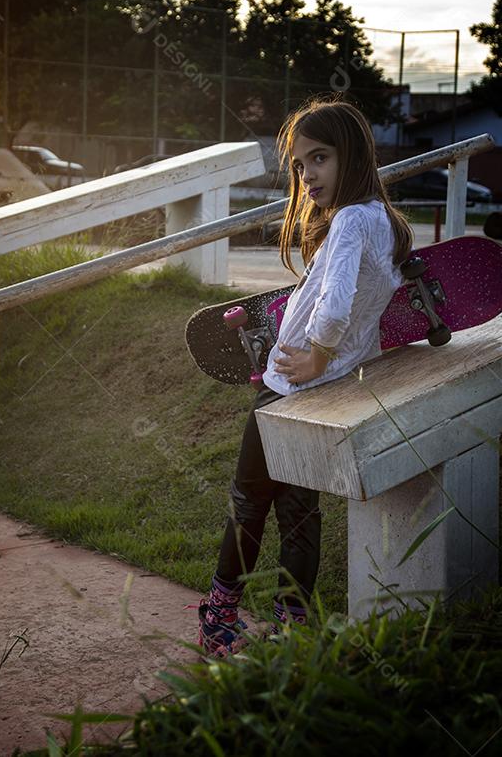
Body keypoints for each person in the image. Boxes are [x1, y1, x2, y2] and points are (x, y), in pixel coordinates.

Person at [197, 98, 414, 657]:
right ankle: (292, 628)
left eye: (319, 158)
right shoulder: (382, 222)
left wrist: (314, 355)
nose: (307, 174)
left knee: (248, 503)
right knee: (299, 514)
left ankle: (218, 619)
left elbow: (338, 304)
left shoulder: (348, 220)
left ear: (354, 156)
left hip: (290, 388)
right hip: (322, 391)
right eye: (299, 164)